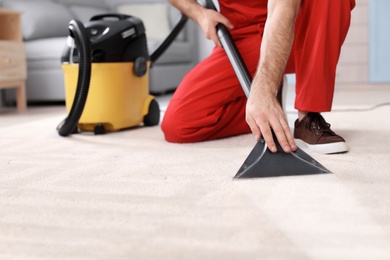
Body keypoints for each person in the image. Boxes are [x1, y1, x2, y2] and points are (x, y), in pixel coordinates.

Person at [161, 0, 356, 154]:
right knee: (179, 124)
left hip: (297, 30)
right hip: (243, 36)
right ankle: (267, 108)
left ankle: (308, 117)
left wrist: (266, 86)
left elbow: (284, 6)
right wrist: (200, 14)